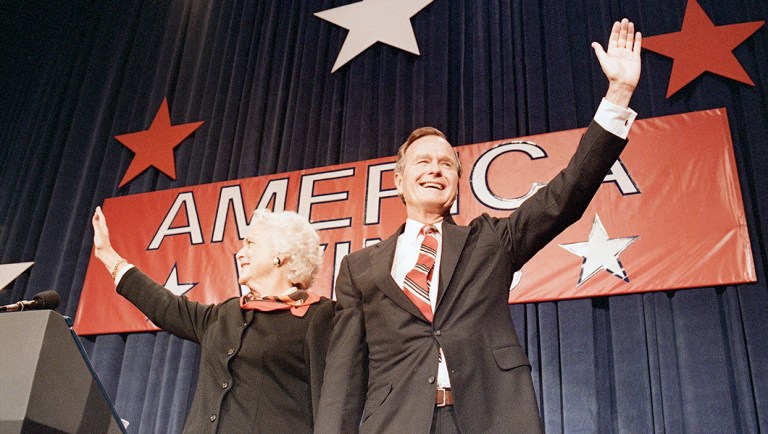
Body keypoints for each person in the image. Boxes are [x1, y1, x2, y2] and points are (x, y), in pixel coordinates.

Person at [316, 19, 642, 434]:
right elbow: (343, 377)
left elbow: (566, 196)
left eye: (446, 164)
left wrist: (618, 94)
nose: (435, 170)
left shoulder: (490, 240)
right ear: (398, 181)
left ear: (456, 182)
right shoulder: (359, 269)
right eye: (423, 162)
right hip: (396, 423)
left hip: (491, 417)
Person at [91, 207, 334, 433]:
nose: (240, 254)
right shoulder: (226, 314)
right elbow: (165, 306)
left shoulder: (319, 317)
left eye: (250, 244)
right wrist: (107, 255)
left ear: (280, 256)